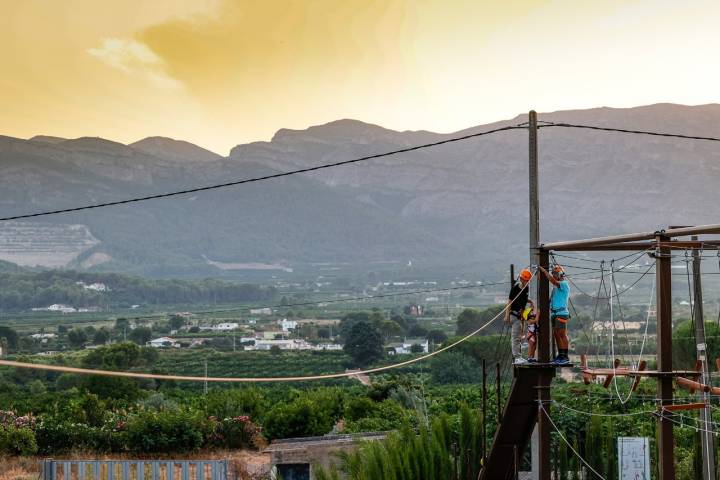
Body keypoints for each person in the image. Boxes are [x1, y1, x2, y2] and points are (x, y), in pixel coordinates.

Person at [538, 264, 571, 365]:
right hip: (554, 313)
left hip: (561, 313)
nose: (554, 275)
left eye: (555, 273)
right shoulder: (555, 288)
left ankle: (565, 356)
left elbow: (553, 281)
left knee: (562, 334)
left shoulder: (564, 284)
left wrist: (544, 272)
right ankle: (561, 354)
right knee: (556, 334)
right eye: (553, 273)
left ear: (561, 274)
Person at [505, 268, 532, 364]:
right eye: (526, 280)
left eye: (528, 280)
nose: (527, 282)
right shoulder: (515, 289)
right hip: (514, 315)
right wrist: (507, 315)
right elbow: (509, 302)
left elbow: (523, 303)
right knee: (515, 337)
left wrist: (530, 302)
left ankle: (518, 356)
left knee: (520, 336)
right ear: (521, 279)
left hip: (520, 316)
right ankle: (517, 357)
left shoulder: (526, 289)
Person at [522, 299, 539, 363]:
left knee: (534, 347)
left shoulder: (529, 313)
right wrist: (538, 314)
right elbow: (535, 321)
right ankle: (529, 358)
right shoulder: (528, 319)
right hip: (531, 333)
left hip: (534, 333)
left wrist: (530, 301)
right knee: (531, 346)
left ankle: (532, 357)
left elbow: (532, 306)